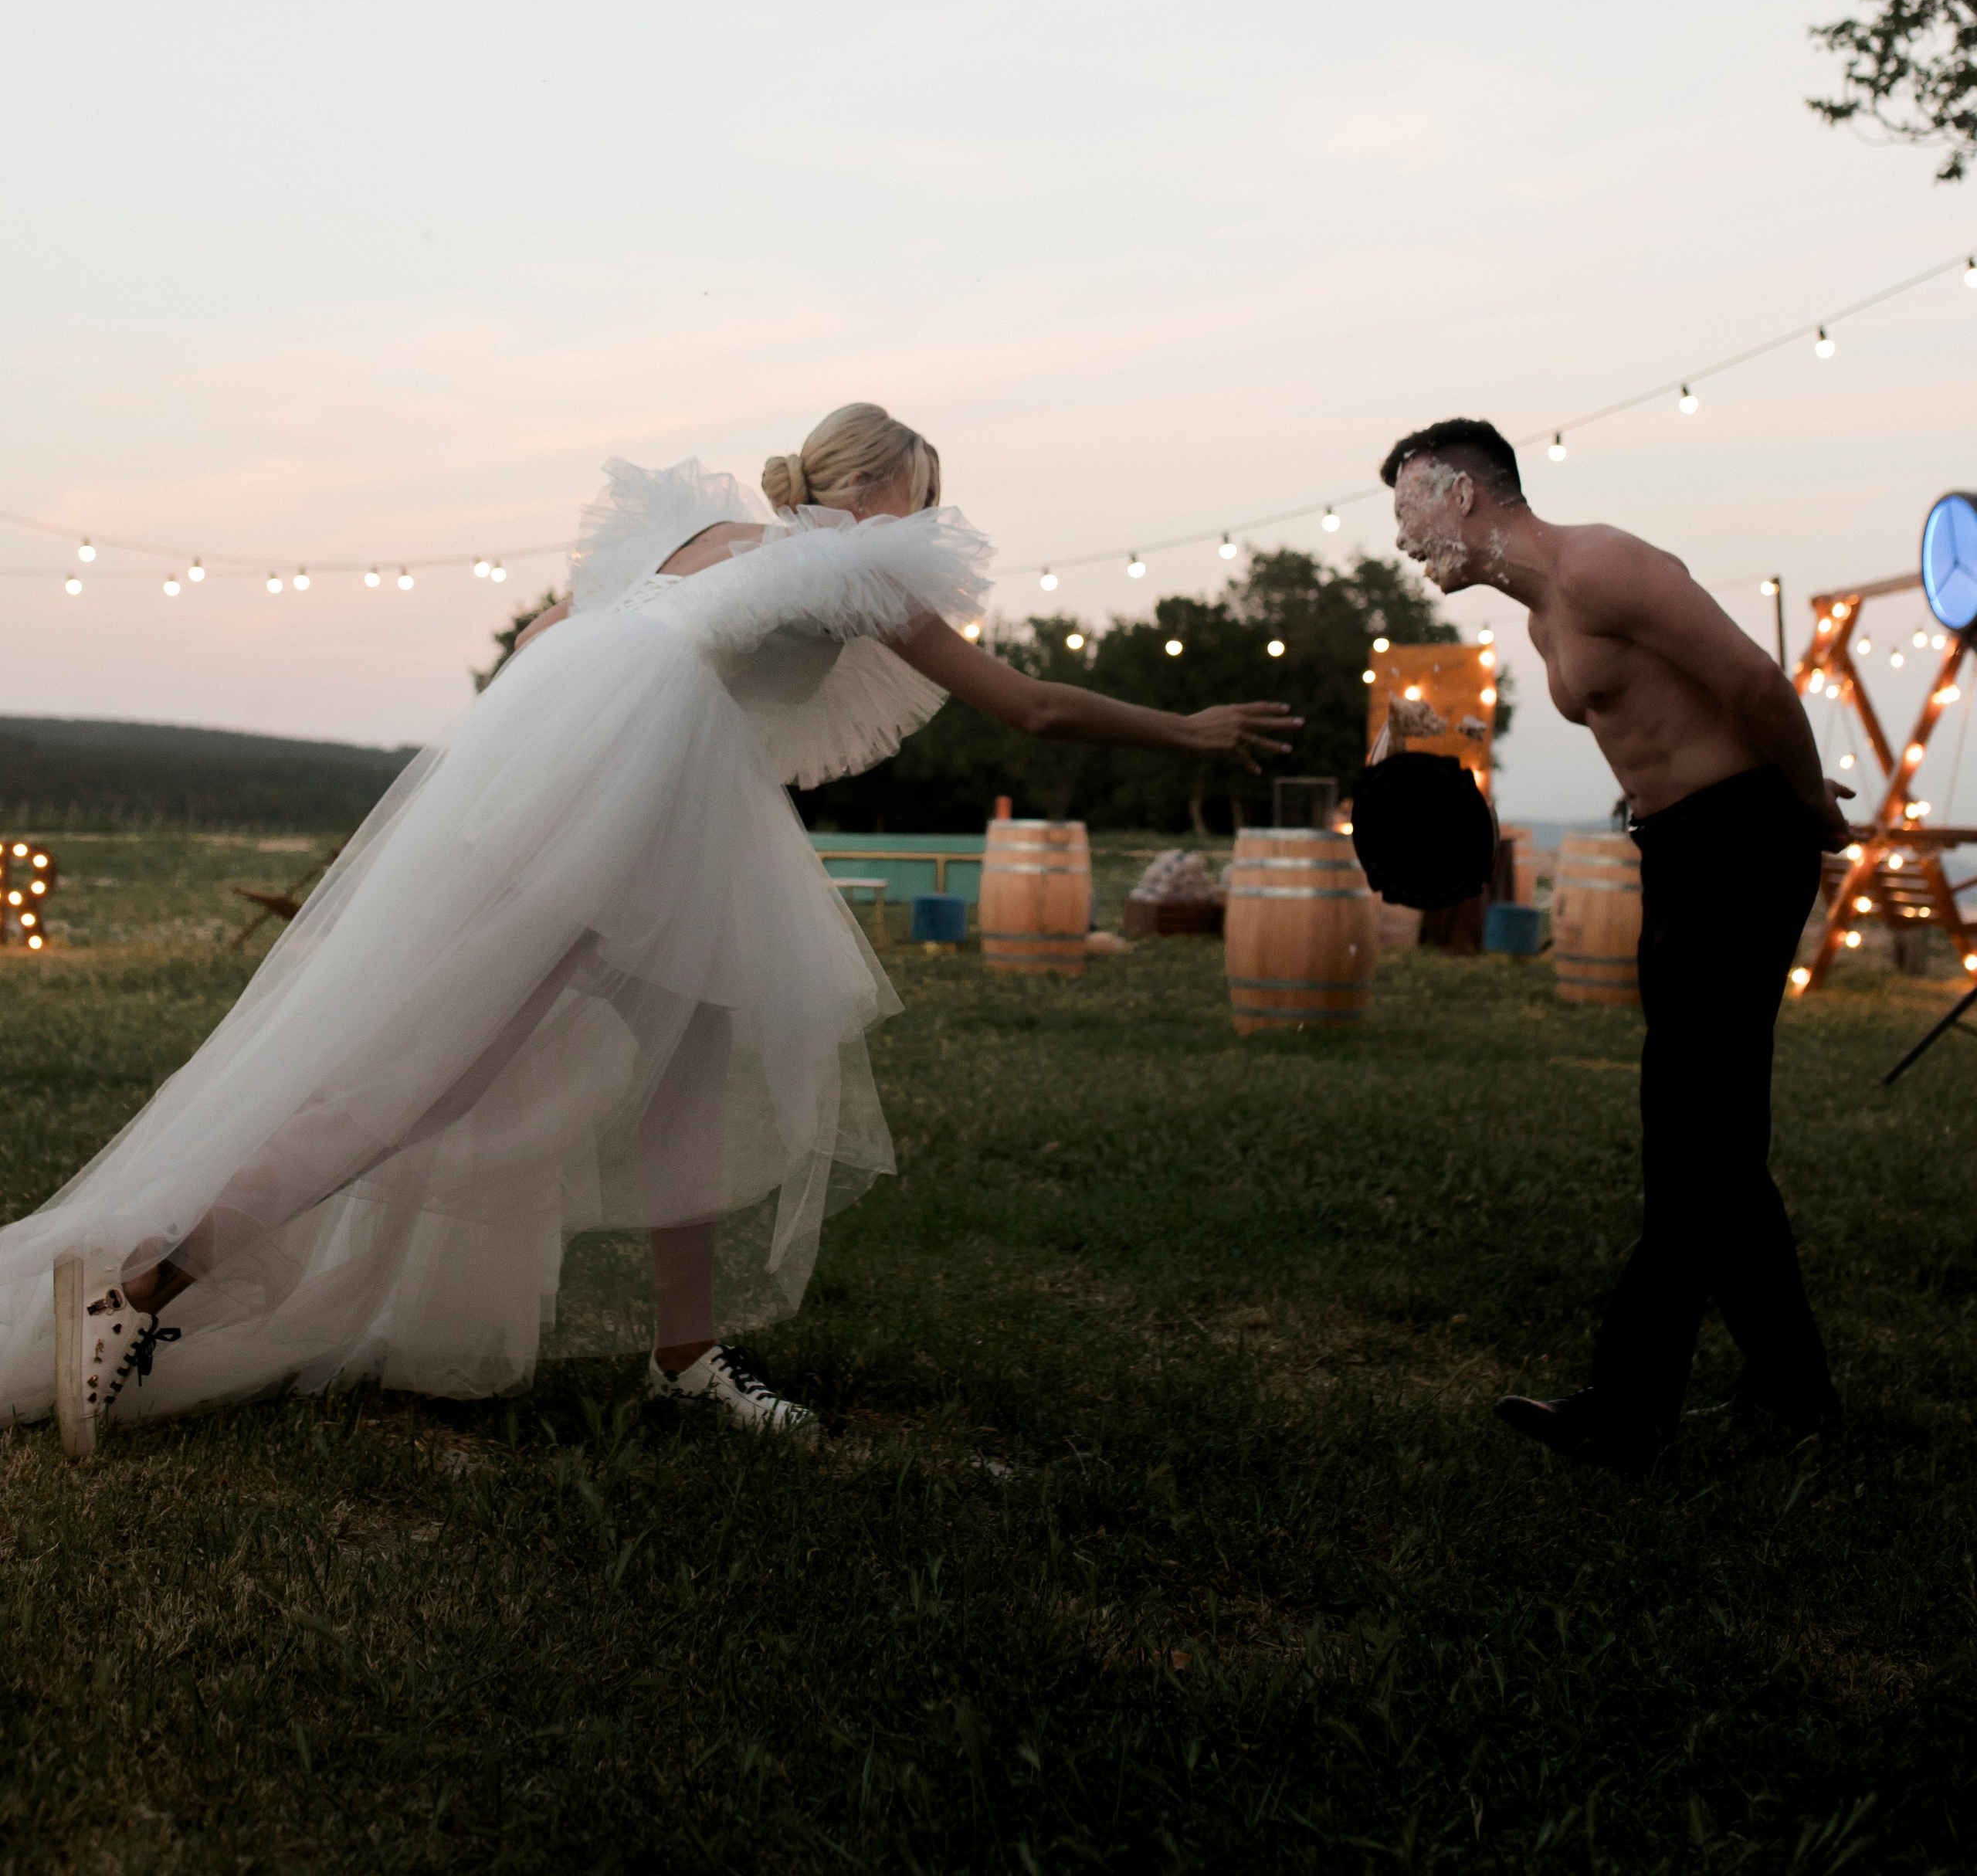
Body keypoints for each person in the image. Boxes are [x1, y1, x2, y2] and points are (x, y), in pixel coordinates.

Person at [9, 403, 1295, 1458]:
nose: (929, 522)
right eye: (922, 495)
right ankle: (134, 1297)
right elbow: (1030, 710)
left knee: (691, 1046)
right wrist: (1186, 729)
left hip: (578, 802)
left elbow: (546, 642)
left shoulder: (681, 533)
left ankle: (684, 1355)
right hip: (622, 824)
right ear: (874, 489)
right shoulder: (855, 558)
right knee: (421, 1074)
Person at [1378, 416, 1846, 1471]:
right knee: (1710, 1128)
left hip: (1741, 845)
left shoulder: (1604, 566)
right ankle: (1795, 1393)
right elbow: (1664, 727)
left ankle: (1631, 1405)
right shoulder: (1546, 620)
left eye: (1407, 508)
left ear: (1463, 495)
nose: (1403, 541)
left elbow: (1754, 685)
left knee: (1690, 1124)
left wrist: (1807, 803)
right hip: (1682, 848)